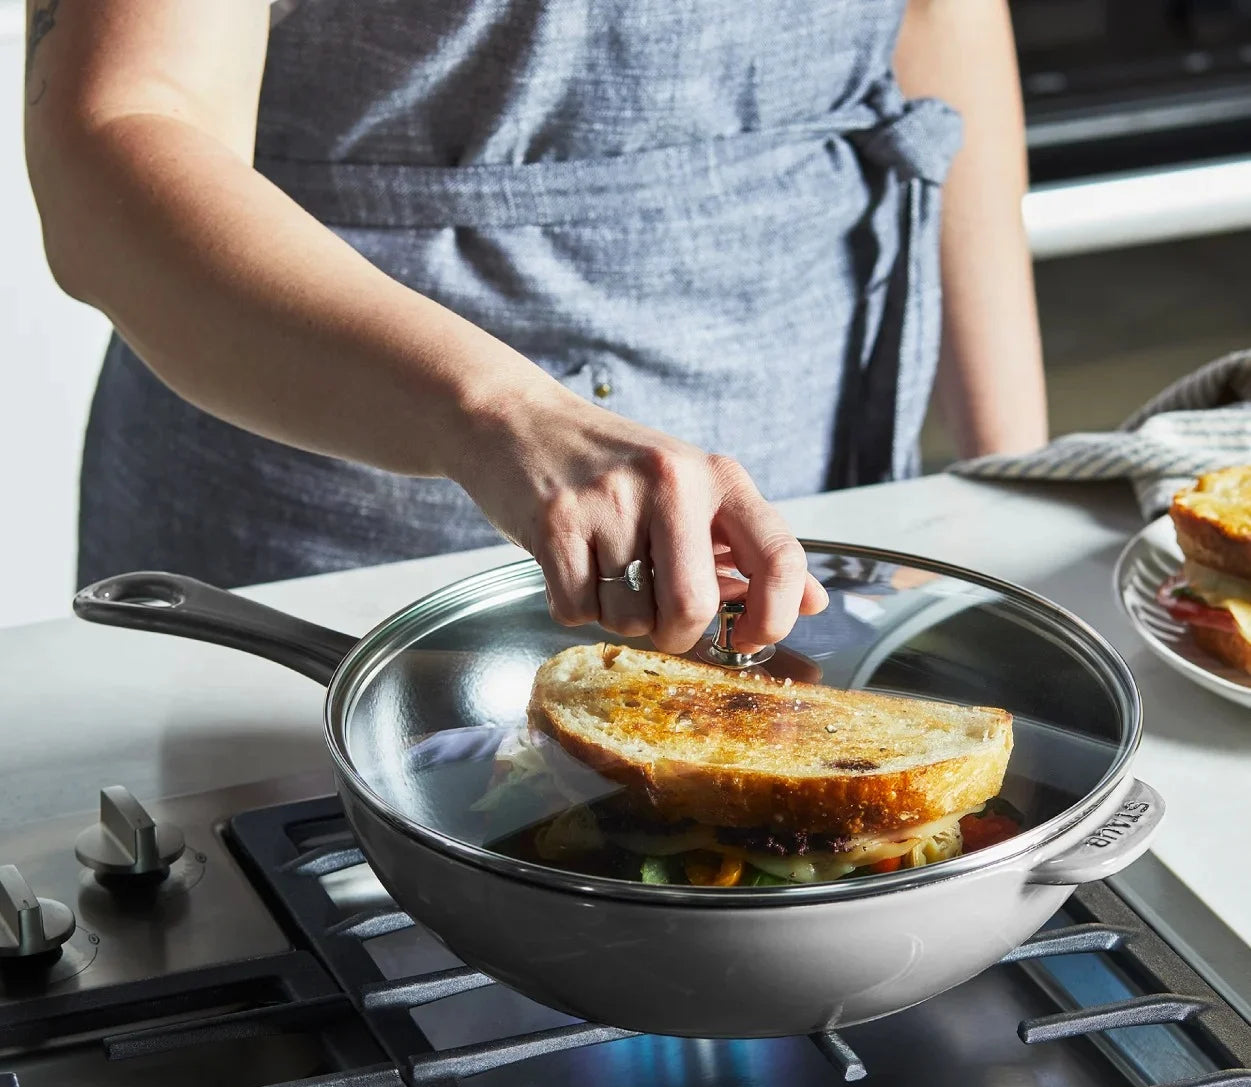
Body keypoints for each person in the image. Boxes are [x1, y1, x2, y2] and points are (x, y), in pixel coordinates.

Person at [24, 0, 1047, 659]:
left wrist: (1013, 498)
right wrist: (498, 412)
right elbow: (113, 137)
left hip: (821, 472)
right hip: (338, 551)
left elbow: (938, 19)